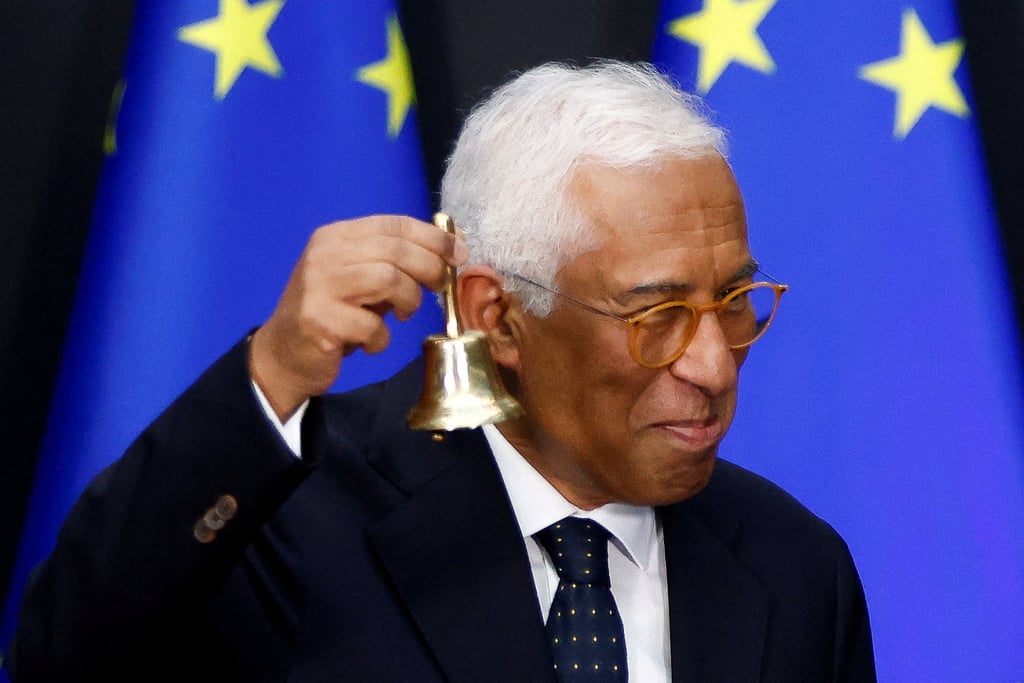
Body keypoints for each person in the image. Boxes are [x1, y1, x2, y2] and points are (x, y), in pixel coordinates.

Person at [8, 60, 875, 681]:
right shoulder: (294, 523)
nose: (715, 363)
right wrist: (270, 371)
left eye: (733, 298)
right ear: (498, 316)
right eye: (656, 316)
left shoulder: (797, 568)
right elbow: (62, 650)